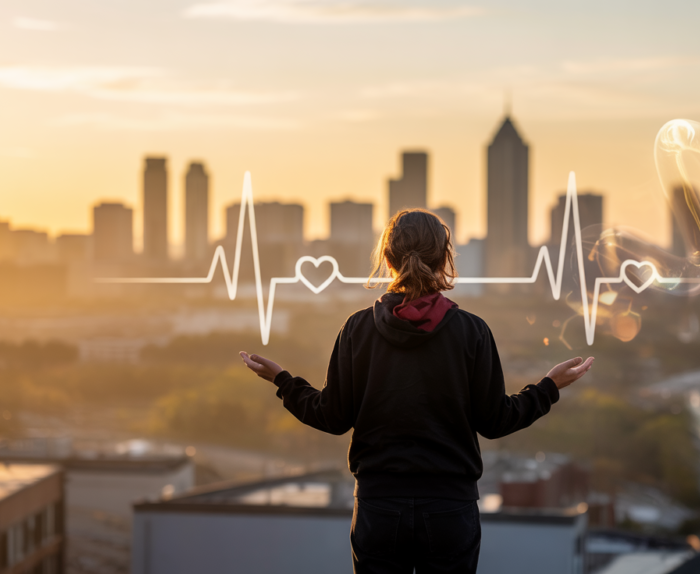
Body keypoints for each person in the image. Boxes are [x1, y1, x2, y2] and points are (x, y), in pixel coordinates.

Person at [241, 209, 594, 574]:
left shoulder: (357, 330)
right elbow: (495, 420)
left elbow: (331, 417)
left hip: (379, 508)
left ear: (388, 259)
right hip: (450, 509)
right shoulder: (471, 332)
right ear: (444, 257)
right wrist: (549, 388)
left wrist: (284, 381)